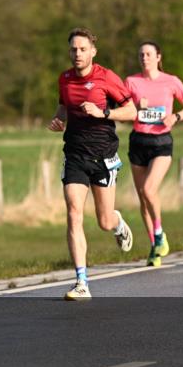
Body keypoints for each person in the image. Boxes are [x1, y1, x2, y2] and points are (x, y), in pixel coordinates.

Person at [48, 27, 137, 301]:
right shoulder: (64, 79)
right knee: (74, 212)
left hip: (103, 155)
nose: (77, 54)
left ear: (92, 52)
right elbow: (64, 106)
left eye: (83, 49)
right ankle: (81, 281)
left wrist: (104, 112)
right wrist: (59, 119)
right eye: (73, 49)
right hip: (74, 154)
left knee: (103, 220)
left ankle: (117, 222)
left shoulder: (106, 77)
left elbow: (132, 111)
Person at [125, 41, 183, 267]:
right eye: (141, 55)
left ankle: (159, 234)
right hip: (138, 141)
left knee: (149, 189)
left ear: (158, 57)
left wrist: (174, 117)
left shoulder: (171, 81)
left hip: (161, 142)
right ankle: (155, 248)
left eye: (148, 54)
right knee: (143, 200)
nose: (144, 58)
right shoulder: (131, 82)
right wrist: (137, 109)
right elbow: (123, 109)